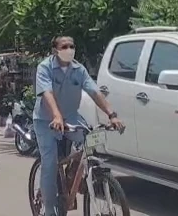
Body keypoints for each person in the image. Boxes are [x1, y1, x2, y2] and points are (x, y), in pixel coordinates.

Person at [35, 36, 124, 216]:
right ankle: (50, 210)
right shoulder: (45, 67)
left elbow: (95, 92)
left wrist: (112, 115)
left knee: (88, 145)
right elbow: (47, 93)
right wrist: (56, 116)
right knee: (50, 163)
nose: (69, 49)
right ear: (55, 50)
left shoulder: (79, 69)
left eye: (72, 46)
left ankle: (72, 178)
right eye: (64, 46)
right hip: (47, 121)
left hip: (71, 117)